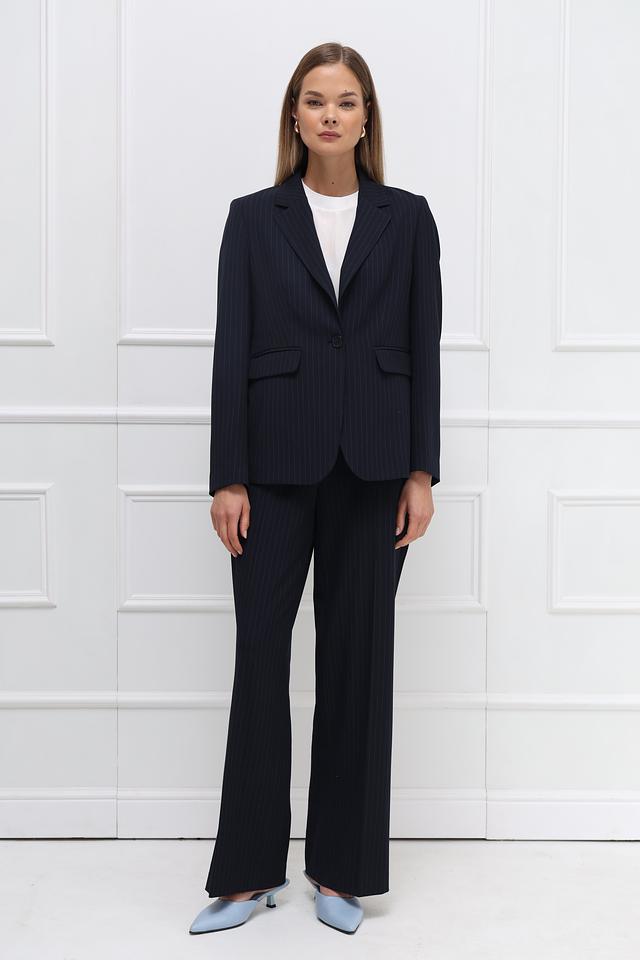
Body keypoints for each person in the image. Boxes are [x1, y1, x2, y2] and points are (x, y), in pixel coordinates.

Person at [190, 41, 442, 936]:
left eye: (345, 101)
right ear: (293, 117)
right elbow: (231, 349)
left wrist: (421, 471)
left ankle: (342, 868)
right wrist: (227, 476)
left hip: (375, 470)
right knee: (261, 660)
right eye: (314, 100)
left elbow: (423, 348)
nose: (330, 114)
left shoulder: (408, 219)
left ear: (366, 118)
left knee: (357, 667)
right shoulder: (252, 219)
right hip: (273, 468)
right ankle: (246, 874)